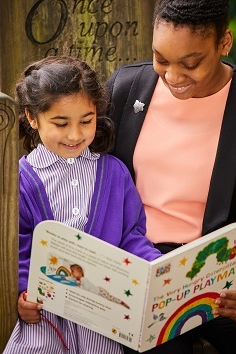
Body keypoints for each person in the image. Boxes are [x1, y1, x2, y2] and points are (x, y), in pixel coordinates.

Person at [106, 0, 236, 354]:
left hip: (214, 280)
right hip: (132, 270)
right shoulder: (126, 88)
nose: (172, 76)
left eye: (190, 63)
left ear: (225, 43)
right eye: (161, 58)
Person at [3, 56, 161, 354]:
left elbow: (131, 236)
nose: (75, 135)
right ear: (32, 118)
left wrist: (153, 270)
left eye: (86, 121)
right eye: (61, 123)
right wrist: (24, 295)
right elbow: (19, 250)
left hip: (103, 313)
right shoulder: (21, 181)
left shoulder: (114, 173)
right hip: (45, 315)